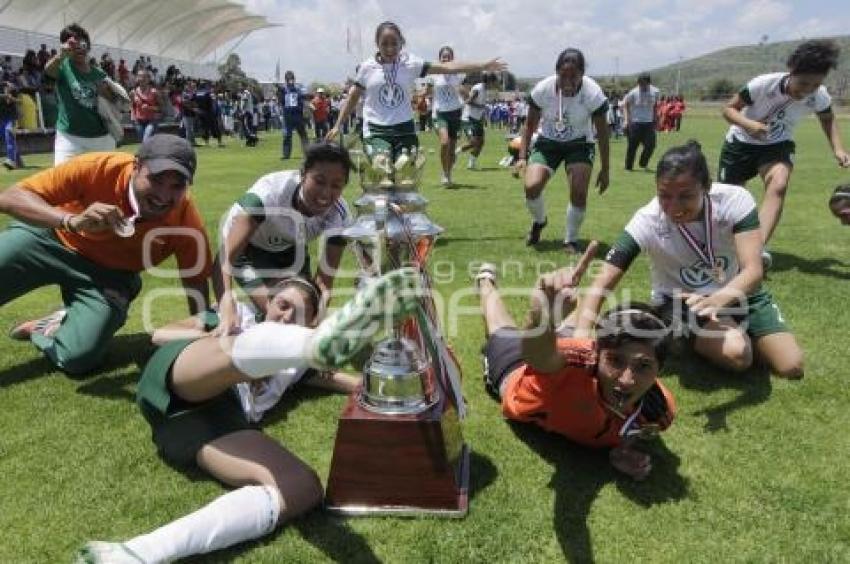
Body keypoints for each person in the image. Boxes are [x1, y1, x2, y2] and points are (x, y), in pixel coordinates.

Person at [76, 268, 422, 564]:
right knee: (232, 350)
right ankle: (307, 343)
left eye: (297, 315)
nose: (285, 316)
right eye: (282, 305)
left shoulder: (296, 368)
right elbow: (160, 334)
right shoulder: (236, 315)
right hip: (180, 375)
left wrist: (411, 384)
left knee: (302, 487)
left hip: (205, 424)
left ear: (310, 322)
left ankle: (134, 553)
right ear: (268, 304)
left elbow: (353, 383)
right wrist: (213, 333)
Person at [574, 141, 804, 379]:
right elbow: (603, 281)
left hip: (738, 291)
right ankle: (679, 330)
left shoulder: (735, 200)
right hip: (683, 302)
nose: (673, 207)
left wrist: (718, 300)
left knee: (791, 366)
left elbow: (753, 271)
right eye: (664, 196)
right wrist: (580, 341)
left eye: (685, 196)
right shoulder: (647, 220)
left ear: (706, 186)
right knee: (739, 355)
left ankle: (673, 335)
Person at [0, 134, 212, 376]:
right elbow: (9, 198)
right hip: (48, 241)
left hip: (109, 277)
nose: (164, 196)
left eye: (177, 186)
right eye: (155, 179)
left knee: (78, 359)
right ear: (136, 166)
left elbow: (195, 278)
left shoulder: (185, 220)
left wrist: (202, 329)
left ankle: (50, 327)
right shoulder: (96, 168)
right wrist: (71, 221)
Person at [475, 245, 675, 481]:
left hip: (567, 354)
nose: (626, 379)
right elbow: (538, 358)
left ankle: (563, 310)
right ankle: (485, 281)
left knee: (571, 323)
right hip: (520, 373)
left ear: (660, 371)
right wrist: (541, 320)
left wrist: (622, 450)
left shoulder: (658, 410)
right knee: (500, 327)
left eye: (643, 367)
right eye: (616, 361)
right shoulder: (576, 358)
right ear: (597, 354)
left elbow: (628, 429)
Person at [718, 39, 850, 264]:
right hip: (740, 145)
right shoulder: (762, 84)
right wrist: (750, 125)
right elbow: (729, 109)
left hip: (777, 145)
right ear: (792, 71)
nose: (807, 91)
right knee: (730, 201)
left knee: (778, 184)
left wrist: (838, 148)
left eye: (815, 85)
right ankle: (723, 248)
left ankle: (756, 249)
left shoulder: (819, 96)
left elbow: (827, 119)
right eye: (803, 83)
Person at [213, 142, 353, 336]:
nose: (326, 193)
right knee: (275, 311)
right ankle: (218, 322)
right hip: (246, 251)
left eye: (336, 186)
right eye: (319, 181)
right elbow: (224, 260)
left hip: (291, 246)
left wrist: (316, 324)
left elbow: (324, 282)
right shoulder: (267, 196)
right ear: (303, 174)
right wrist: (226, 303)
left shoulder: (340, 215)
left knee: (301, 312)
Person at [326, 21, 506, 162]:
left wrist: (482, 65)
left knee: (405, 179)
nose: (389, 48)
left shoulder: (411, 64)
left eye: (394, 43)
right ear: (377, 44)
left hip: (404, 128)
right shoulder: (367, 67)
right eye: (384, 44)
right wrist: (337, 125)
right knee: (381, 170)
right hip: (376, 129)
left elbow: (448, 67)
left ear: (401, 43)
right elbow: (353, 96)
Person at [514, 48, 610, 253]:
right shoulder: (543, 89)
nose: (567, 81)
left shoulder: (592, 93)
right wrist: (522, 156)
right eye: (563, 75)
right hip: (548, 142)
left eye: (573, 76)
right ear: (556, 72)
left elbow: (602, 133)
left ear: (582, 74)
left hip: (579, 144)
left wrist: (605, 169)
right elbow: (529, 125)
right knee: (531, 187)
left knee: (578, 190)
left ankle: (571, 239)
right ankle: (539, 222)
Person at [44, 23, 119, 164]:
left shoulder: (100, 74)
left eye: (82, 42)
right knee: (62, 181)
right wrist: (61, 55)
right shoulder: (62, 66)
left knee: (100, 184)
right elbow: (48, 70)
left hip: (101, 139)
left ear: (88, 46)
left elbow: (114, 103)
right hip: (69, 138)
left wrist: (109, 94)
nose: (78, 46)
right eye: (73, 43)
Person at [430, 46, 466, 186]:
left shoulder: (458, 74)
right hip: (440, 113)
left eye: (448, 56)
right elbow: (427, 89)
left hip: (455, 112)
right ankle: (444, 173)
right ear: (440, 58)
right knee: (444, 143)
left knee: (451, 148)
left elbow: (463, 91)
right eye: (443, 56)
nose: (446, 58)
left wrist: (462, 91)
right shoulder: (434, 74)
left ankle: (448, 173)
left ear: (452, 58)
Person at [458, 73, 499, 170]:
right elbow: (469, 101)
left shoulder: (484, 89)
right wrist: (481, 107)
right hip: (469, 118)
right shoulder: (478, 88)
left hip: (477, 119)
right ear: (489, 81)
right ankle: (455, 153)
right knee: (474, 142)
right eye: (494, 82)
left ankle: (471, 164)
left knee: (480, 142)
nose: (495, 84)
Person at [623, 72, 659, 171]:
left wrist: (656, 118)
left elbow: (655, 106)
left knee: (651, 145)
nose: (641, 86)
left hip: (649, 123)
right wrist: (626, 120)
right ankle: (628, 167)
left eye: (643, 84)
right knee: (632, 146)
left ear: (648, 83)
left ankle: (643, 163)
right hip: (635, 123)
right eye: (640, 84)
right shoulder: (633, 93)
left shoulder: (655, 92)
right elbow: (625, 105)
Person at [130, 69, 162, 143]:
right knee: (143, 142)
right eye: (140, 76)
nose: (142, 79)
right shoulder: (133, 92)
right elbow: (132, 106)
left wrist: (149, 108)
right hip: (138, 121)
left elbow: (161, 108)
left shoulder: (154, 92)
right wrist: (133, 117)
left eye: (144, 77)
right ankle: (149, 153)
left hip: (151, 120)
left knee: (146, 139)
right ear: (137, 78)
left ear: (148, 79)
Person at [1, 80, 24, 170]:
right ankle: (18, 161)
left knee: (9, 137)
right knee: (8, 140)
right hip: (2, 119)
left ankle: (11, 161)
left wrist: (9, 95)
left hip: (11, 119)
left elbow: (18, 101)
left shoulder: (11, 87)